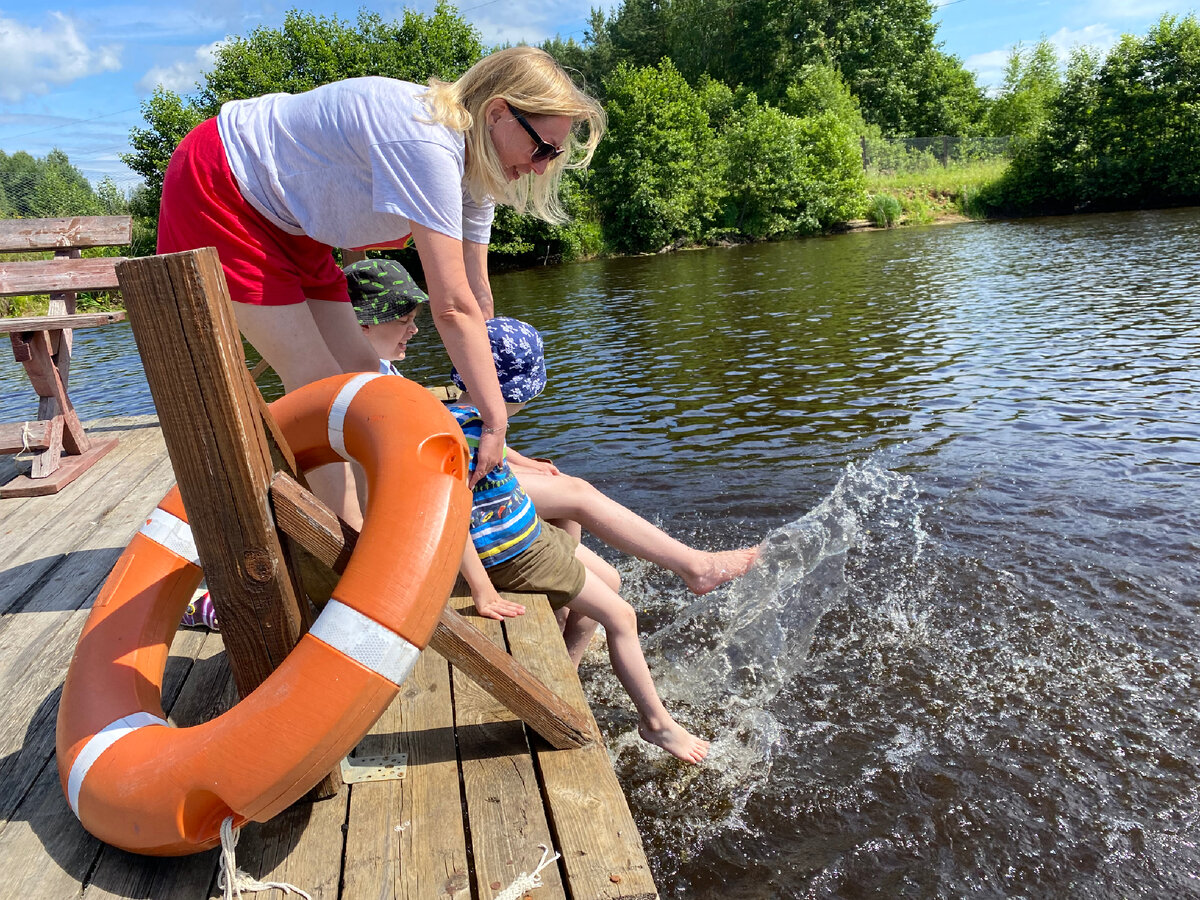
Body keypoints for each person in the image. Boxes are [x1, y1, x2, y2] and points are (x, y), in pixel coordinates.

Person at [156, 46, 605, 528]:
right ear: (498, 113)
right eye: (542, 148)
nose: (543, 166)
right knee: (317, 379)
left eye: (554, 154)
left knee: (367, 376)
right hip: (222, 181)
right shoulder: (429, 142)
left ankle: (383, 528)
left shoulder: (478, 171)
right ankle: (342, 548)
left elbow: (477, 295)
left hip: (289, 220)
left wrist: (482, 406)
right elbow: (451, 306)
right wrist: (494, 422)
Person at [451, 317, 725, 764]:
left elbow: (492, 449)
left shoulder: (469, 418)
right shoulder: (464, 436)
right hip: (515, 556)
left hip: (530, 538)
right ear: (516, 391)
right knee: (621, 616)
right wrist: (481, 590)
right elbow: (453, 515)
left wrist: (523, 462)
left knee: (612, 579)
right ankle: (656, 724)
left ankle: (567, 673)